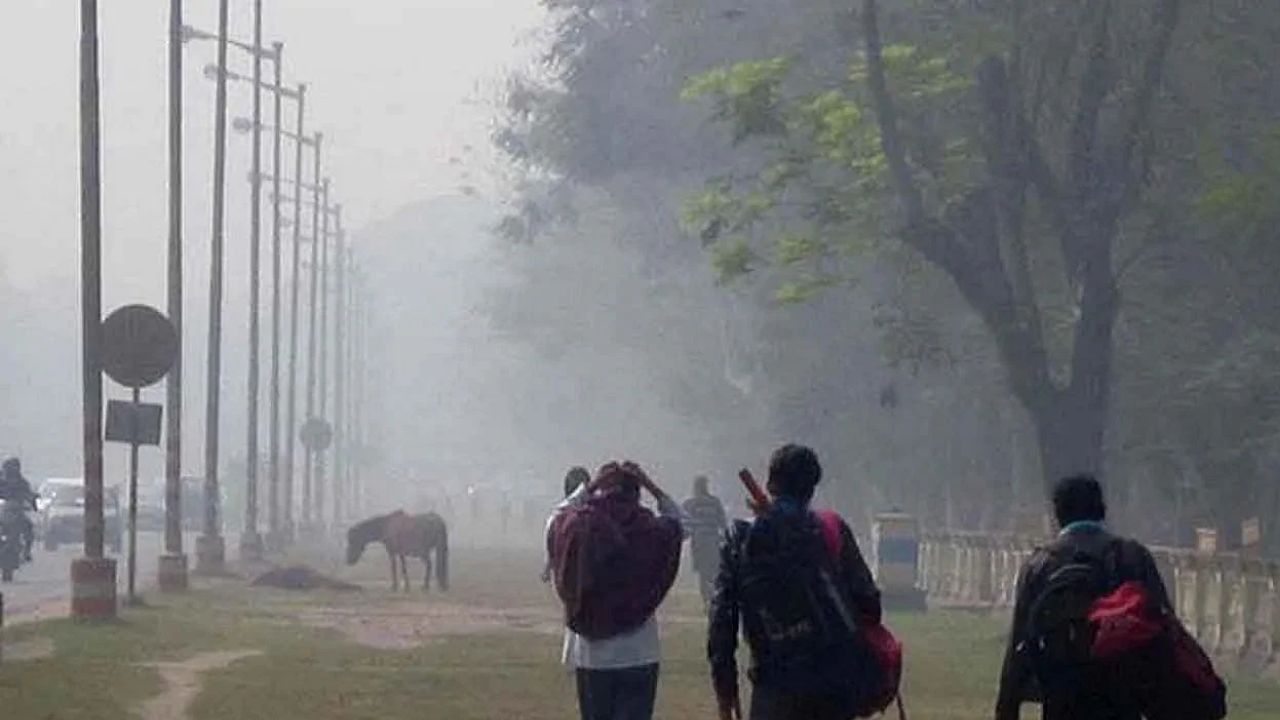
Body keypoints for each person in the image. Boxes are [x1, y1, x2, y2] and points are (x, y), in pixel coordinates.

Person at [708, 444, 882, 720]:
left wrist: (725, 690)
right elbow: (869, 605)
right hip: (834, 685)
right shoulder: (829, 528)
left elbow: (722, 620)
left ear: (770, 483)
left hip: (774, 685)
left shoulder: (741, 537)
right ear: (812, 487)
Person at [995, 474, 1174, 720]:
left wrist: (1007, 709)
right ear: (1102, 509)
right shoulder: (1132, 557)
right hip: (1122, 697)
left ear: (1057, 513)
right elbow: (1165, 633)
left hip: (1061, 696)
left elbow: (1018, 645)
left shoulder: (1040, 565)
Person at [548, 461, 684, 720]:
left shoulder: (581, 526)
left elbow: (555, 519)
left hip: (592, 656)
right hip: (640, 653)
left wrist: (590, 487)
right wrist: (652, 487)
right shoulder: (650, 530)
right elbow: (682, 523)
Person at [682, 475, 727, 607]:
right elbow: (722, 521)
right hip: (711, 540)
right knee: (711, 570)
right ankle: (711, 598)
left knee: (705, 572)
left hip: (701, 542)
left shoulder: (690, 503)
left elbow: (684, 522)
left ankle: (708, 599)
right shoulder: (714, 502)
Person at [0, 457, 37, 561]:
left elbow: (29, 494)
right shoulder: (1, 480)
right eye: (10, 468)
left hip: (16, 512)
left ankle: (26, 552)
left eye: (14, 467)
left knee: (28, 527)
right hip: (2, 512)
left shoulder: (22, 482)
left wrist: (32, 501)